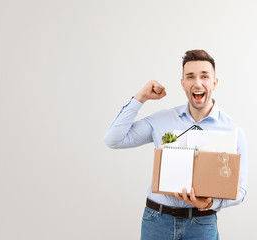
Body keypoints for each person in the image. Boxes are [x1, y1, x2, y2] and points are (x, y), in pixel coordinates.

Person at [103, 49, 248, 240]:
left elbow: (241, 190)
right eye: (190, 77)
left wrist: (208, 203)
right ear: (183, 84)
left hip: (202, 223)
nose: (197, 83)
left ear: (214, 82)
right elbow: (113, 139)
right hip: (157, 220)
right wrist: (141, 97)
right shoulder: (163, 119)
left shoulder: (232, 130)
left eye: (204, 76)